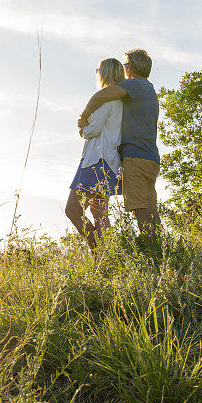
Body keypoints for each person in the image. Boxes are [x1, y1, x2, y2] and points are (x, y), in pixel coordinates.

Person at [77, 48, 161, 240]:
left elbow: (101, 95)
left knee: (140, 206)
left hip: (136, 156)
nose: (124, 69)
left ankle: (150, 250)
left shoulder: (136, 85)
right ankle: (157, 248)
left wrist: (83, 118)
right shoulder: (149, 89)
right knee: (149, 206)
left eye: (125, 65)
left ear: (130, 67)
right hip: (150, 157)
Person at [65, 58, 125, 254]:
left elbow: (93, 129)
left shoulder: (109, 99)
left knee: (73, 210)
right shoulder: (118, 100)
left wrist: (82, 128)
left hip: (96, 161)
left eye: (99, 69)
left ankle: (98, 250)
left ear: (105, 73)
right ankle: (107, 259)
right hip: (107, 161)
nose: (97, 72)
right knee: (99, 213)